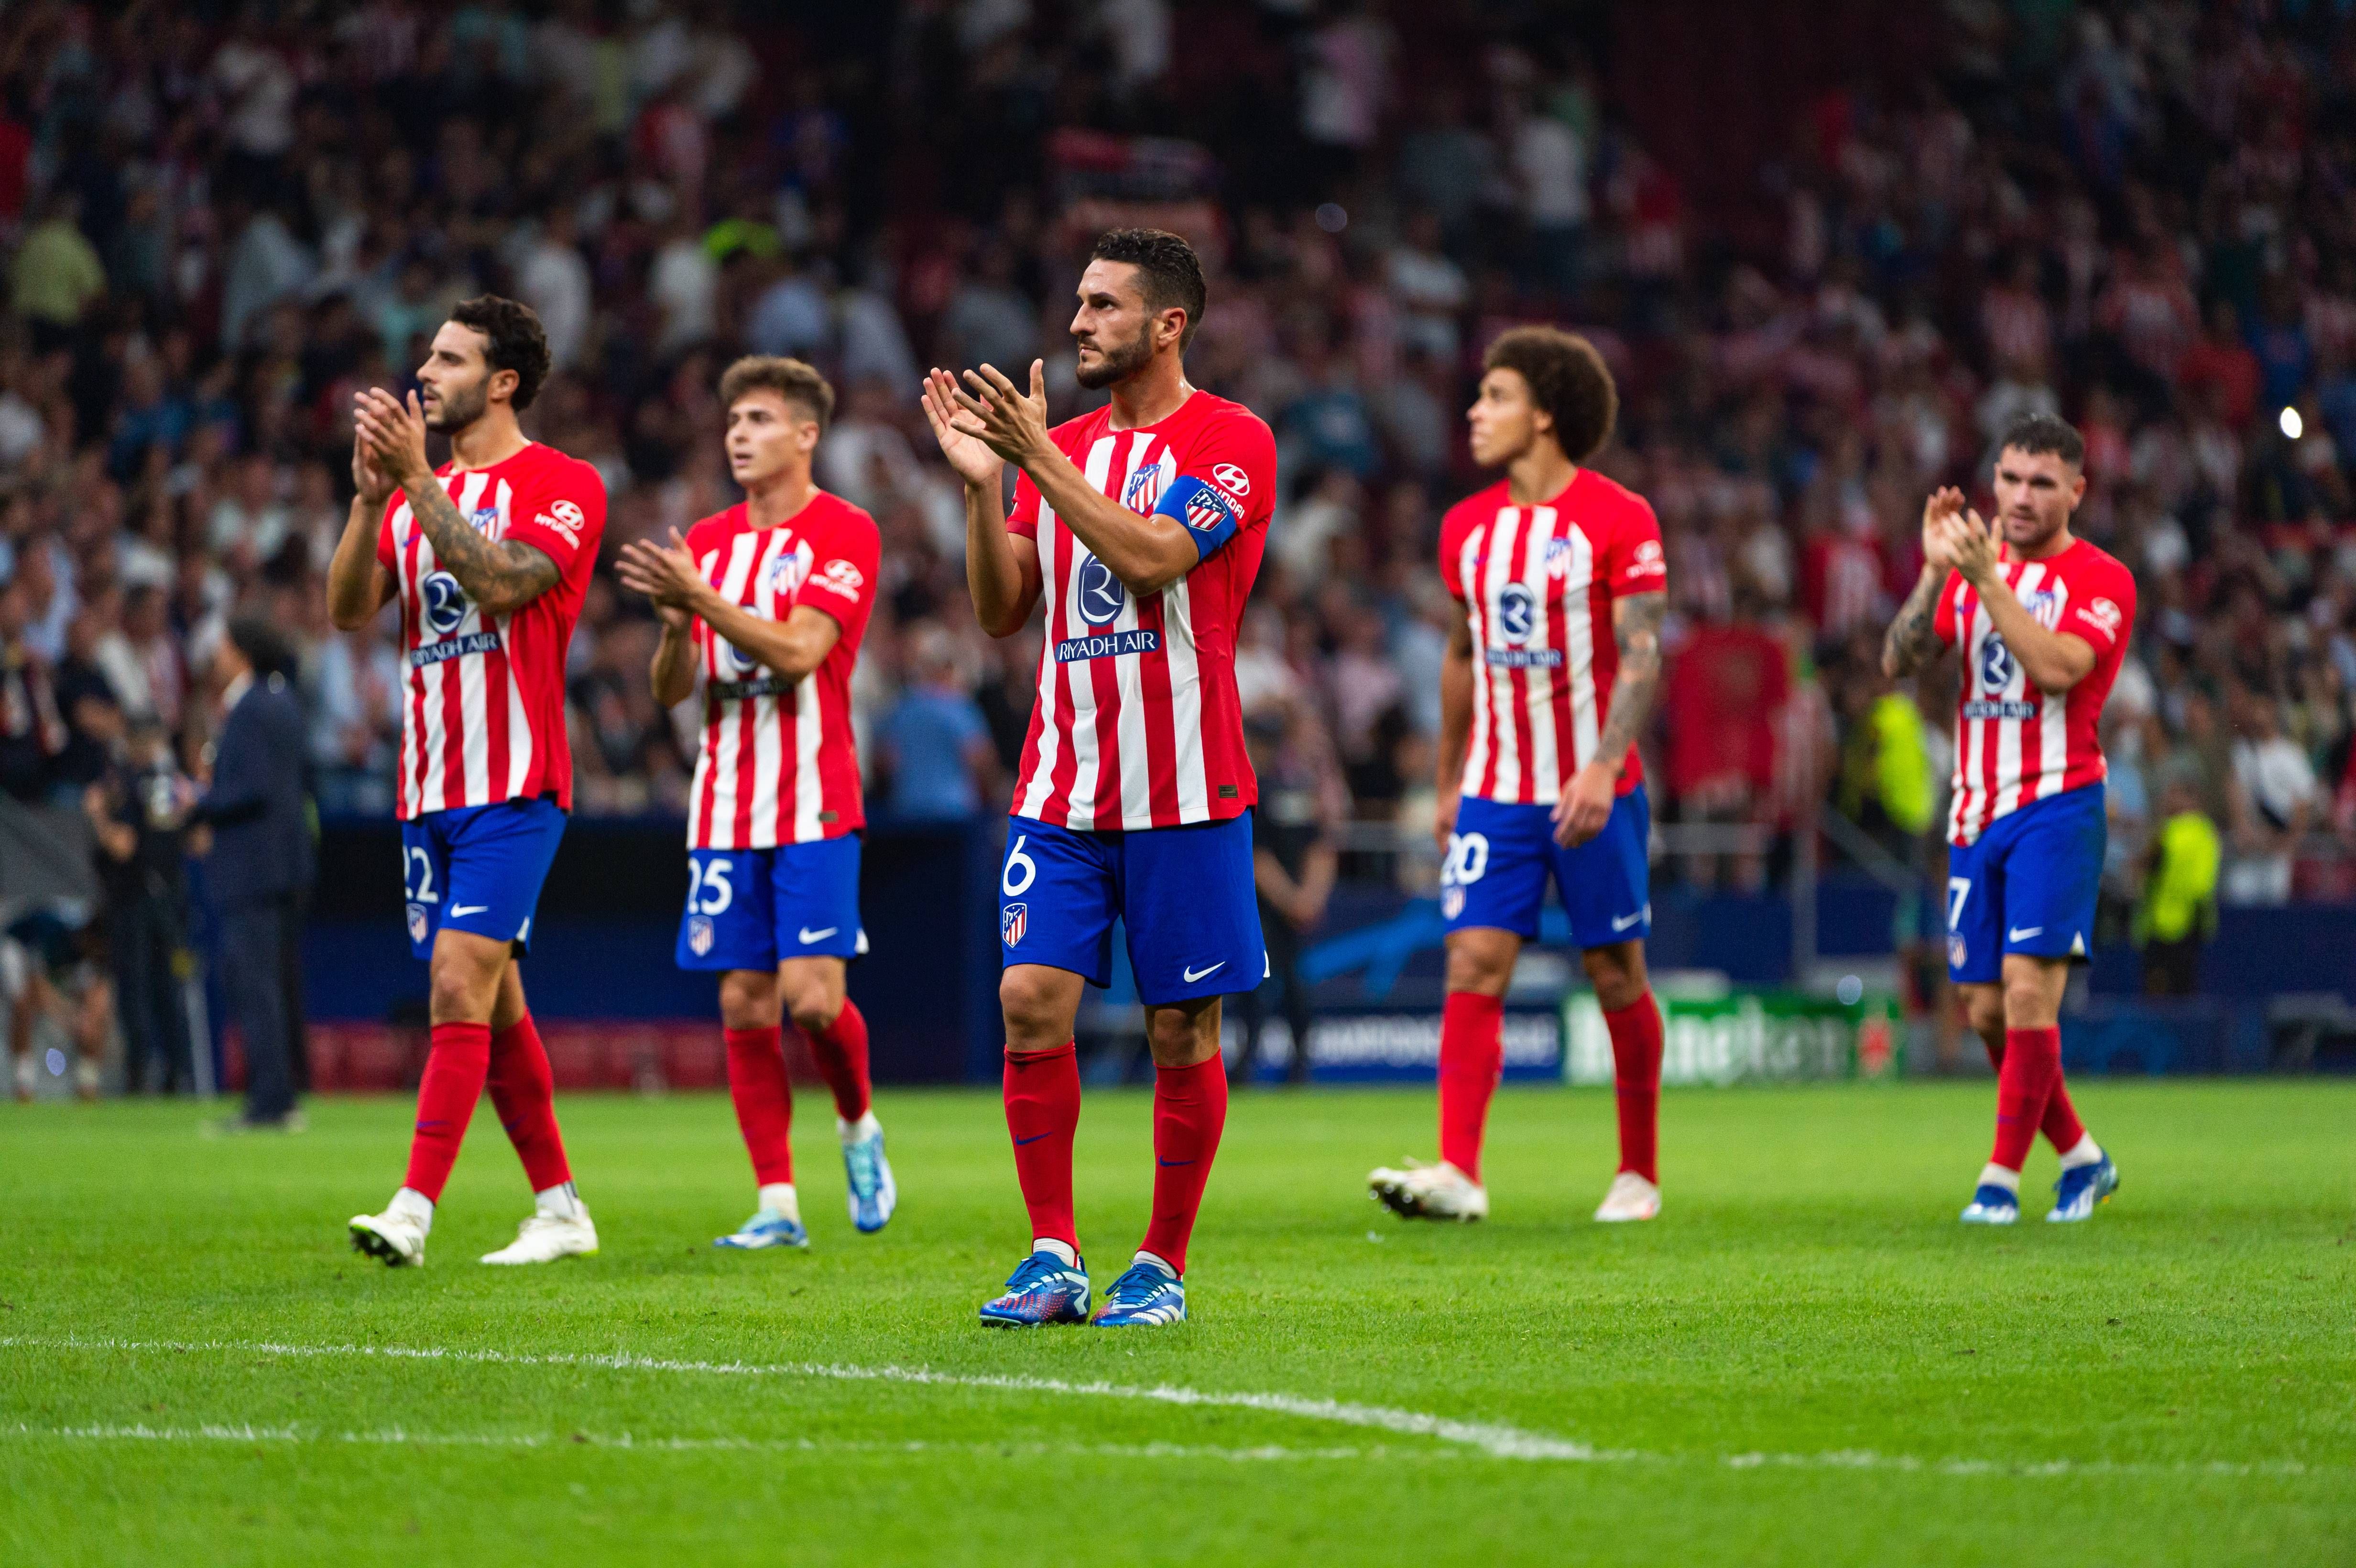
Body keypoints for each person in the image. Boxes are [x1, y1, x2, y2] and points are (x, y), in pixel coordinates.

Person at [923, 228, 1276, 1328]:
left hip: (1186, 791)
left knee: (1181, 1030)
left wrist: (1037, 462)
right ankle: (1052, 1253)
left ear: (1168, 325)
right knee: (1028, 998)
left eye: (1103, 305)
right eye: (1078, 302)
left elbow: (1156, 555)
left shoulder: (1231, 439)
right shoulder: (1059, 446)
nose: (1077, 322)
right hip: (1061, 788)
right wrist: (985, 487)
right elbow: (1001, 609)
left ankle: (1161, 1263)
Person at [1368, 327, 1672, 1226]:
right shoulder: (1464, 528)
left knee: (1615, 972)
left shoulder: (1620, 517)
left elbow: (1643, 652)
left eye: (1495, 396)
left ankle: (1638, 1173)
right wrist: (1448, 780)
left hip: (1594, 791)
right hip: (1497, 791)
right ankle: (1458, 1172)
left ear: (1544, 414)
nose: (1475, 412)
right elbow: (1462, 655)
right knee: (1472, 959)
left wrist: (1603, 766)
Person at [326, 296, 606, 1267]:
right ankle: (561, 1208)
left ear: (502, 382)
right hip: (426, 789)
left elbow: (506, 581)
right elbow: (348, 608)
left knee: (456, 981)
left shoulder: (563, 483)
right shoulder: (414, 495)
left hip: (515, 786)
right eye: (428, 356)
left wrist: (414, 481)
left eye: (449, 359)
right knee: (495, 1002)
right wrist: (372, 500)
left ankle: (412, 1208)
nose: (425, 373)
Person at [615, 355, 894, 1250]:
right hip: (724, 801)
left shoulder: (845, 531)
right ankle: (777, 1203)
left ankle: (857, 1126)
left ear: (807, 435)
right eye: (734, 420)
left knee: (812, 1000)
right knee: (743, 1000)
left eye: (761, 420)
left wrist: (698, 597)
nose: (740, 434)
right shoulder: (708, 540)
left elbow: (802, 652)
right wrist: (674, 630)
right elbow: (671, 689)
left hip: (814, 797)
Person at [1883, 411, 2134, 1224]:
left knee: (2028, 994)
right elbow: (1897, 658)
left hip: (2057, 806)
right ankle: (2082, 1158)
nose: (2022, 498)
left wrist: (1986, 579)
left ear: (2076, 491)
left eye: (2042, 484)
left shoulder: (2102, 579)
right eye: (2011, 479)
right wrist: (1933, 573)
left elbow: (2059, 669)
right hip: (1973, 812)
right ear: (1992, 480)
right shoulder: (1964, 568)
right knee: (1986, 1010)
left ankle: (1998, 1181)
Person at [189, 616, 315, 1131]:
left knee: (255, 984)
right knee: (274, 985)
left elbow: (253, 788)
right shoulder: (281, 699)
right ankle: (281, 1094)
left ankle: (269, 1102)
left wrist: (199, 803)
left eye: (222, 646)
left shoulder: (250, 707)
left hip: (253, 868)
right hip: (282, 866)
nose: (215, 655)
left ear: (241, 651)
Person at [87, 715, 197, 1094]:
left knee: (135, 990)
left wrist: (98, 816)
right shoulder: (173, 784)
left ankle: (139, 1076)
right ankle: (178, 1073)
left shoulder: (129, 784)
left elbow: (124, 846)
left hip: (134, 900)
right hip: (170, 899)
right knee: (169, 990)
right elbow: (196, 841)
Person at [1235, 707, 1337, 1086]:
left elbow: (1266, 856)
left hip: (1267, 904)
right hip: (1278, 902)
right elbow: (1314, 849)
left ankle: (1266, 1062)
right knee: (1280, 984)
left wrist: (1301, 900)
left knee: (1272, 984)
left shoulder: (1260, 791)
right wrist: (1304, 899)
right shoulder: (1292, 790)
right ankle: (1283, 1062)